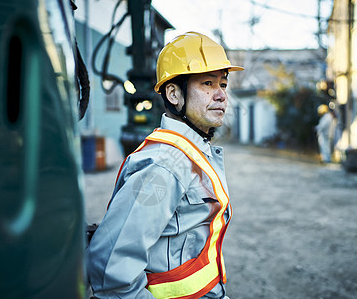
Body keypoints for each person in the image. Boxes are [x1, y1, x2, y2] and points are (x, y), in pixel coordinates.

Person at [86, 31, 244, 298]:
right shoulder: (162, 166)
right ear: (173, 93)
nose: (221, 95)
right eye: (207, 83)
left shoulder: (193, 152)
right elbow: (112, 273)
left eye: (223, 84)